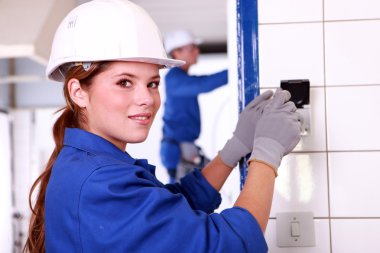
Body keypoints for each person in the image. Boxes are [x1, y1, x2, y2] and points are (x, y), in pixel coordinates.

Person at [24, 0, 302, 252]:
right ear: (78, 92)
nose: (147, 99)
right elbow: (227, 245)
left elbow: (171, 209)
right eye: (124, 82)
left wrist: (234, 148)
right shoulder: (102, 183)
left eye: (153, 83)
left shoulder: (91, 165)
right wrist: (266, 153)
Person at [160, 29, 228, 183]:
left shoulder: (180, 78)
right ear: (176, 53)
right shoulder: (174, 79)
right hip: (178, 148)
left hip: (181, 146)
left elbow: (202, 82)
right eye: (191, 49)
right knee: (184, 196)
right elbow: (204, 84)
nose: (197, 51)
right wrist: (237, 71)